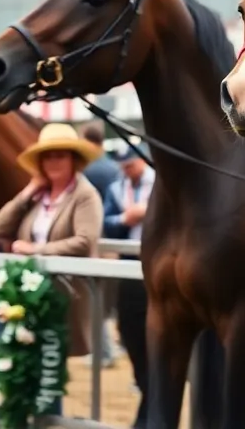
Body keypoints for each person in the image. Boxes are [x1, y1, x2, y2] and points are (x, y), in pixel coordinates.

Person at [0, 123, 104, 416]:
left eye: (60, 155)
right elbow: (0, 227)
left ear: (74, 159)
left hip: (64, 294)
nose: (53, 162)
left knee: (51, 361)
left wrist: (36, 251)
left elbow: (84, 241)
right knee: (30, 357)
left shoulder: (85, 194)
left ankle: (49, 418)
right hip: (31, 294)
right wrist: (27, 192)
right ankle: (35, 417)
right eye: (48, 156)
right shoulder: (38, 195)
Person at [102, 144, 153, 427]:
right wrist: (126, 218)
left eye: (130, 164)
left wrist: (149, 212)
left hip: (157, 264)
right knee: (129, 333)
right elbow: (106, 224)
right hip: (129, 267)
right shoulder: (116, 188)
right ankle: (146, 388)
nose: (126, 170)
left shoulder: (158, 181)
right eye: (123, 166)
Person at [78, 121, 120, 369]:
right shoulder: (112, 166)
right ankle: (107, 348)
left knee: (96, 299)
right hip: (112, 242)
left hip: (97, 241)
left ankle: (104, 351)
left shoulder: (89, 170)